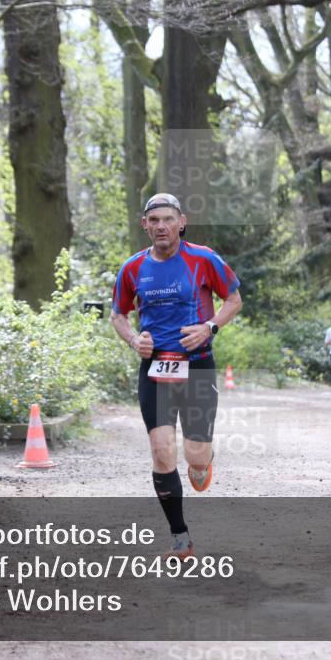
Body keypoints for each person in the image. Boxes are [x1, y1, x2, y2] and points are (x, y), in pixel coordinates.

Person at [110, 193, 242, 559]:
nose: (161, 226)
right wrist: (134, 339)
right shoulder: (132, 268)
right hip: (155, 369)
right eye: (154, 220)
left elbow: (234, 299)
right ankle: (180, 538)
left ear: (181, 222)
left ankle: (203, 462)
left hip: (197, 365)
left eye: (168, 219)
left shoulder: (203, 258)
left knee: (195, 457)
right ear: (145, 225)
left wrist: (209, 328)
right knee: (161, 450)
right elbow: (118, 315)